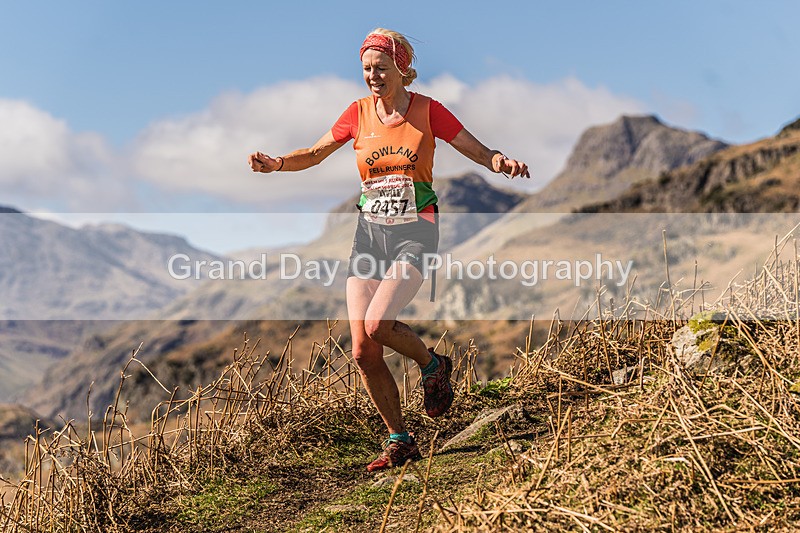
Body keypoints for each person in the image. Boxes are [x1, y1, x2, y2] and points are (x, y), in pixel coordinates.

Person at [248, 28, 530, 472]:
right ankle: (400, 439)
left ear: (401, 68)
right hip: (369, 235)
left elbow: (476, 149)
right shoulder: (357, 114)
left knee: (380, 323)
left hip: (417, 230)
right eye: (366, 69)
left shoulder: (427, 110)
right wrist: (278, 163)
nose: (373, 76)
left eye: (381, 68)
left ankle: (433, 364)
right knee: (363, 349)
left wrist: (501, 161)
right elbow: (316, 153)